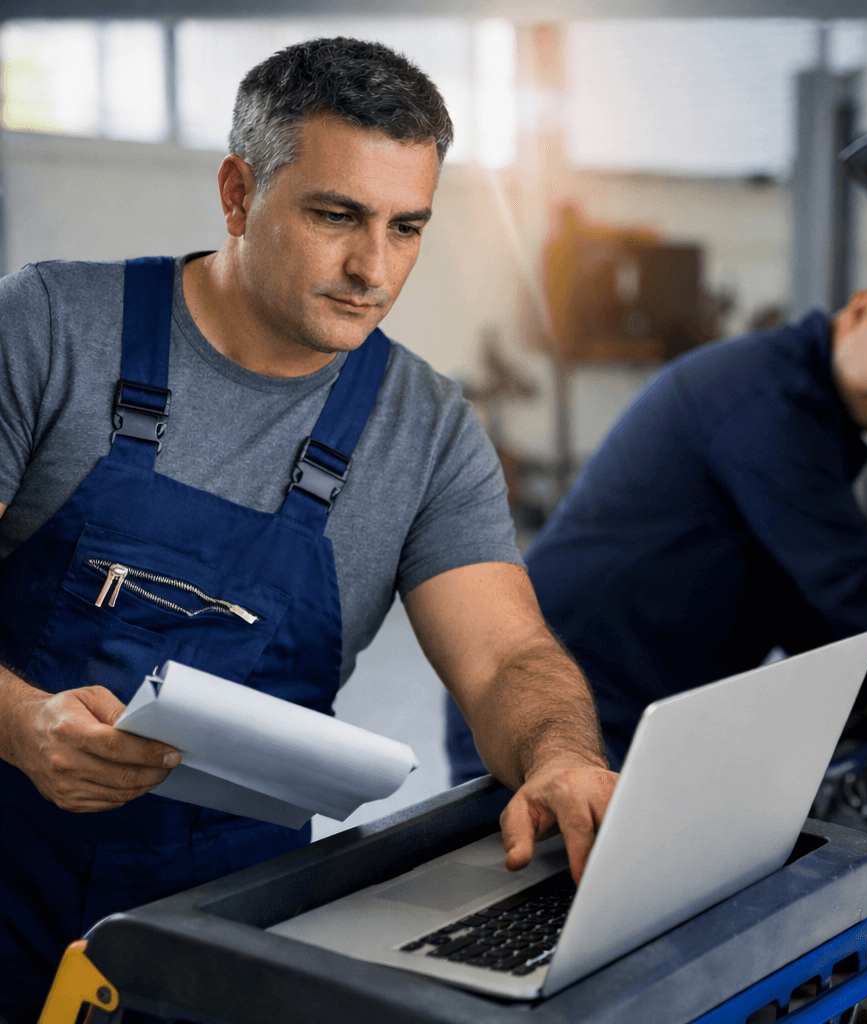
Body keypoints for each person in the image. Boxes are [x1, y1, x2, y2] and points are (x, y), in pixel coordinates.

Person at [0, 37, 615, 1023]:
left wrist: (559, 754)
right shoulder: (51, 327)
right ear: (238, 194)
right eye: (337, 216)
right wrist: (21, 724)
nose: (374, 267)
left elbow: (506, 656)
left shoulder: (426, 428)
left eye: (406, 227)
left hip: (231, 935)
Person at [448, 260, 867, 781]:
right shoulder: (764, 397)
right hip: (552, 698)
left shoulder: (809, 415)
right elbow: (847, 572)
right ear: (862, 311)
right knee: (555, 893)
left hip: (631, 704)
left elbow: (787, 578)